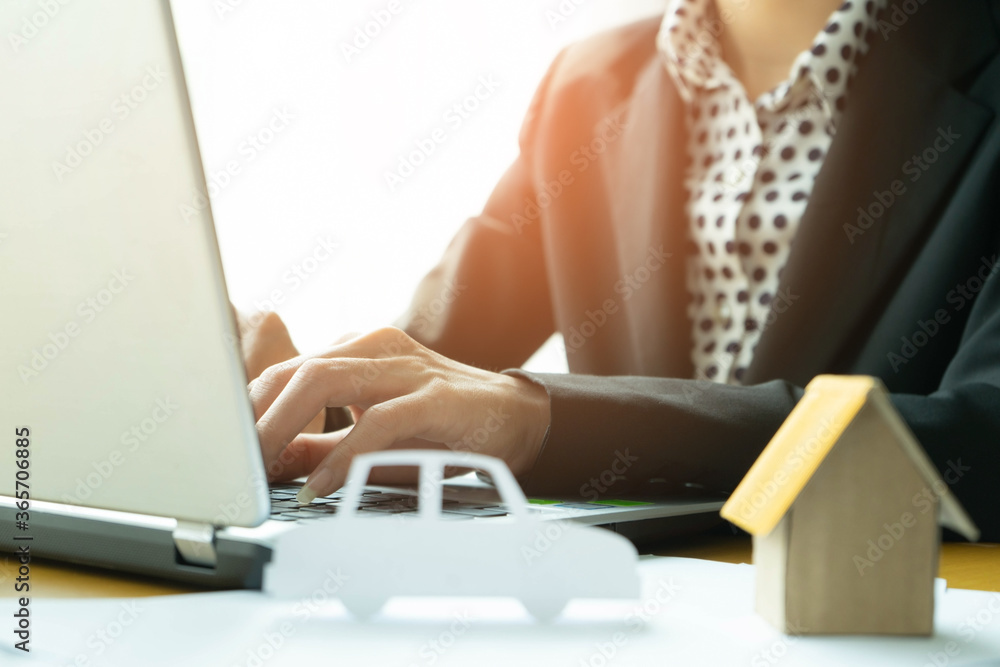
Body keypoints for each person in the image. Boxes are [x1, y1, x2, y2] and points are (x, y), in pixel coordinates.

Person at [241, 0, 1000, 541]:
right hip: (635, 605)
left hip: (881, 611)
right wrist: (307, 401)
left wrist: (548, 419)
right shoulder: (589, 84)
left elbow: (983, 435)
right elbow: (440, 363)